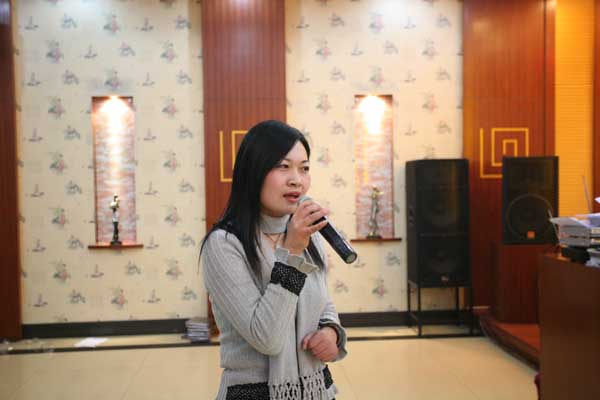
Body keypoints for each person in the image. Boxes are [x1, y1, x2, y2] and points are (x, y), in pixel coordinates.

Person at [200, 120, 347, 400]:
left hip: (317, 390)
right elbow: (266, 338)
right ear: (253, 171)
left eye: (304, 168)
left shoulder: (308, 232)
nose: (296, 179)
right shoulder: (224, 244)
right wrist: (291, 252)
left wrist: (331, 332)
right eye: (283, 166)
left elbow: (322, 300)